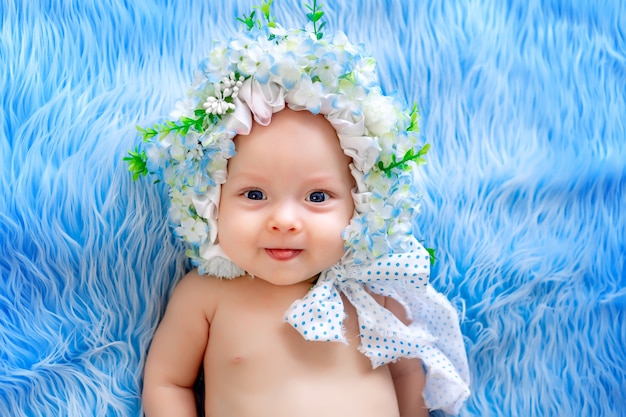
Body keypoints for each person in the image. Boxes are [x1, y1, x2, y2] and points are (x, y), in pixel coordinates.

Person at [127, 2, 470, 416]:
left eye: (317, 197)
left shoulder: (371, 291)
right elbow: (168, 381)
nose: (285, 221)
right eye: (254, 195)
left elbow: (407, 376)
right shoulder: (206, 296)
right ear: (210, 200)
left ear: (362, 205)